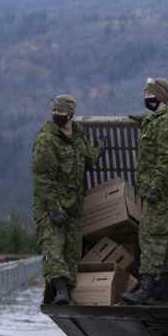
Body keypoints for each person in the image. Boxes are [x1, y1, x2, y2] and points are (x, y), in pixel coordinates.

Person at [122, 78, 168, 305]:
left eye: (148, 93)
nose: (145, 96)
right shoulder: (156, 121)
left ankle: (147, 289)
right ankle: (165, 290)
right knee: (160, 238)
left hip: (157, 192)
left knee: (152, 238)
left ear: (159, 95)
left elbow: (167, 160)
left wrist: (155, 188)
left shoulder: (167, 122)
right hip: (152, 189)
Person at [33, 94, 104, 305]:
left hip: (73, 205)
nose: (57, 116)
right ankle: (60, 291)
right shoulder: (46, 140)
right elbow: (42, 179)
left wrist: (98, 149)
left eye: (61, 114)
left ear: (71, 115)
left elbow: (88, 160)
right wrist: (53, 207)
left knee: (72, 250)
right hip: (50, 206)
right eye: (54, 113)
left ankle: (68, 293)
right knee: (53, 246)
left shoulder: (78, 138)